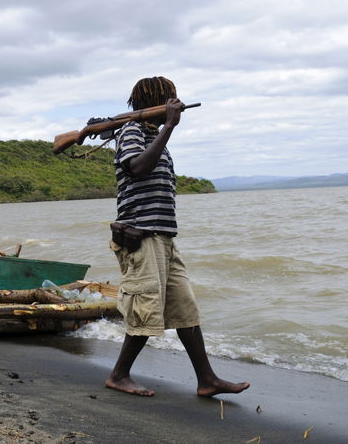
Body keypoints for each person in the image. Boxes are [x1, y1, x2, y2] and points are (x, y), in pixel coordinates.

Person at [105, 76, 250, 398]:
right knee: (145, 306)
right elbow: (138, 168)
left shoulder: (150, 134)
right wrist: (170, 126)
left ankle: (207, 379)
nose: (176, 104)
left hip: (163, 237)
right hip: (141, 236)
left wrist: (163, 129)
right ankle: (118, 375)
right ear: (153, 101)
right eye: (170, 99)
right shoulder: (131, 132)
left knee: (185, 308)